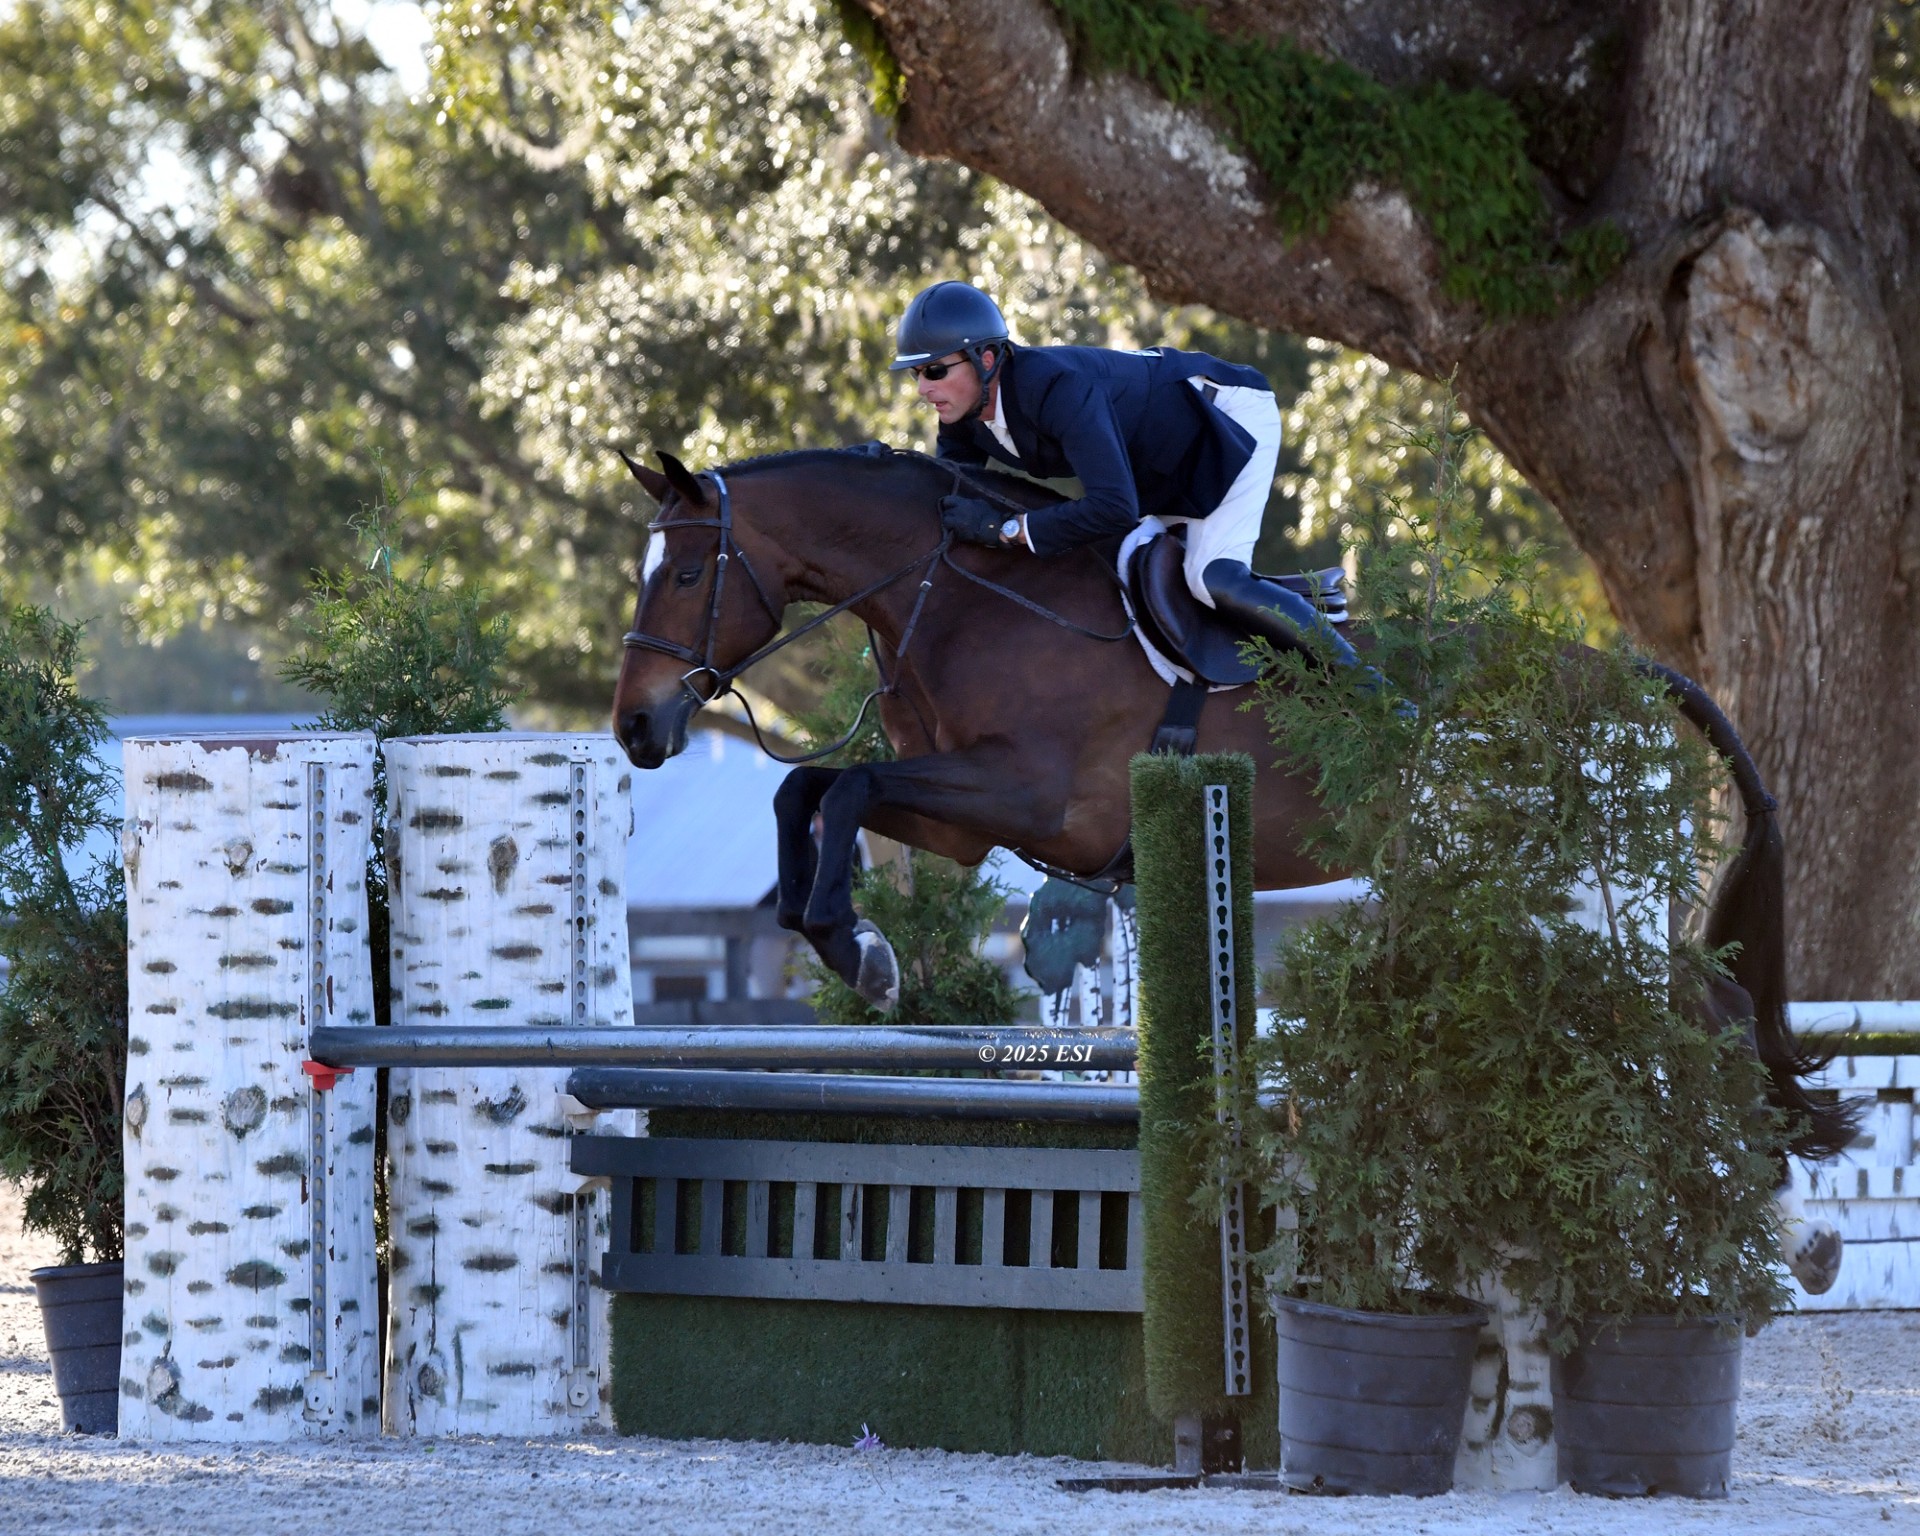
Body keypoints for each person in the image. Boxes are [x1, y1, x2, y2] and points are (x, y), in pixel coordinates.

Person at [892, 278, 1361, 668]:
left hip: (1223, 419)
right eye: (915, 375)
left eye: (933, 371)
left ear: (986, 359)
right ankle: (1289, 604)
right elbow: (949, 494)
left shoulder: (1056, 388)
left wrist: (1010, 529)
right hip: (1156, 455)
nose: (922, 389)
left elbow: (1114, 508)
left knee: (1209, 576)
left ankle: (1368, 690)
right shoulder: (963, 412)